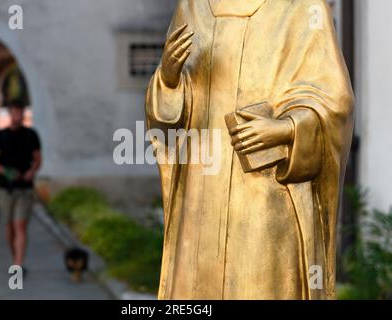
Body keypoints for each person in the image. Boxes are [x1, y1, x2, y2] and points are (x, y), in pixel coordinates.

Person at [146, 0, 354, 299]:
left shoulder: (303, 7)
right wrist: (168, 78)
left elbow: (335, 103)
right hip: (200, 195)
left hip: (267, 197)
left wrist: (288, 128)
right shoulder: (193, 6)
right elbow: (169, 121)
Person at [0, 101, 42, 270]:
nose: (17, 115)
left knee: (20, 225)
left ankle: (18, 265)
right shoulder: (0, 135)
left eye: (20, 112)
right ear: (10, 114)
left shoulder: (31, 135)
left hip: (24, 188)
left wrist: (31, 172)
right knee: (9, 227)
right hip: (5, 188)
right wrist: (5, 172)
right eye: (14, 112)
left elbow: (37, 160)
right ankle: (16, 259)